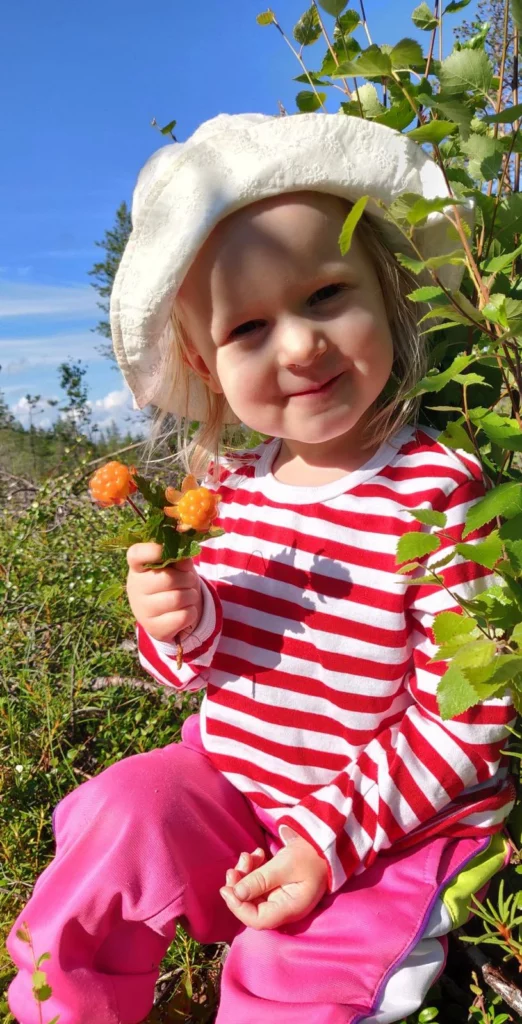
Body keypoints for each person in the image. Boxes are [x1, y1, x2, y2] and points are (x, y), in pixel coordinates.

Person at [7, 113, 516, 1024]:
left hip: (387, 827)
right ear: (206, 361)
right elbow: (202, 670)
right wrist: (177, 620)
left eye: (326, 295)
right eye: (249, 326)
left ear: (391, 292)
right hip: (237, 788)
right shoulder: (226, 490)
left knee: (296, 982)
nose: (299, 345)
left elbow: (464, 720)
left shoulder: (441, 492)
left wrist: (324, 843)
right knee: (124, 812)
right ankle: (58, 1006)